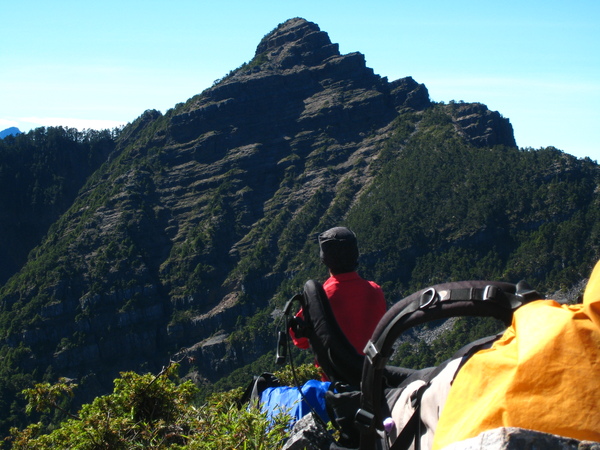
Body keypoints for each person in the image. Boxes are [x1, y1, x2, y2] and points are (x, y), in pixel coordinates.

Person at [290, 226, 387, 356]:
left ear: (324, 259)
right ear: (355, 254)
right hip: (370, 373)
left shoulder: (320, 298)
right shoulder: (375, 291)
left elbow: (300, 341)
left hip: (333, 375)